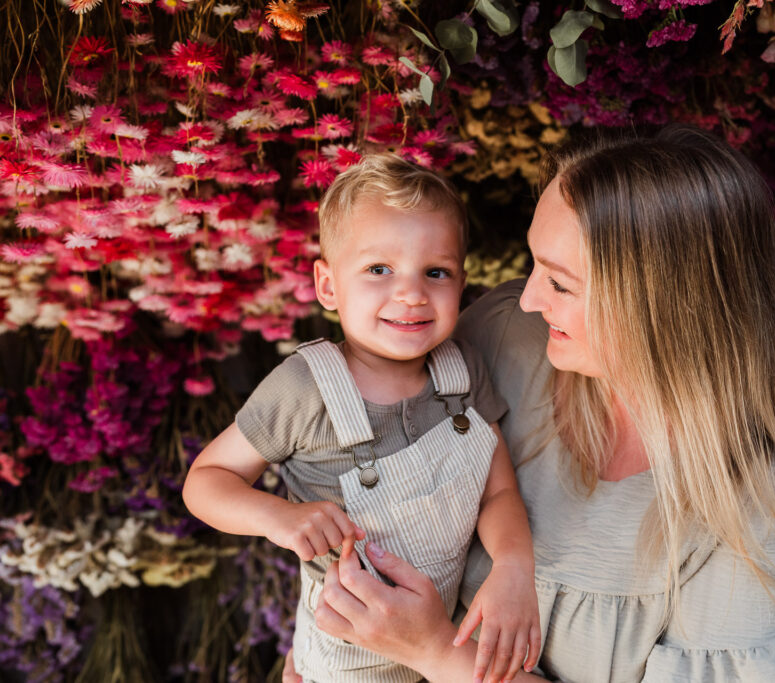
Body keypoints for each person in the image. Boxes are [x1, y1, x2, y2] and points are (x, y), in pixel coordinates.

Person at [297, 125, 775, 682]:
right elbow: (355, 478)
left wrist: (433, 652)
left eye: (562, 284)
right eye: (534, 264)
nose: (527, 297)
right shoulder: (505, 341)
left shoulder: (760, 520)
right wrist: (316, 652)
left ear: (663, 306)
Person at [183, 154, 540, 683]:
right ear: (328, 286)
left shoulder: (461, 373)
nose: (412, 294)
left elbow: (499, 494)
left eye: (435, 272)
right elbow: (205, 482)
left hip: (443, 641)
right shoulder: (305, 388)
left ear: (461, 283)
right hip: (346, 662)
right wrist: (278, 518)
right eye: (379, 269)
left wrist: (513, 566)